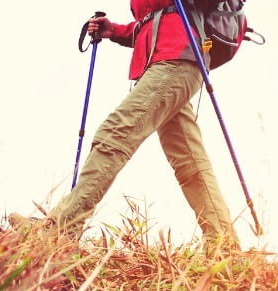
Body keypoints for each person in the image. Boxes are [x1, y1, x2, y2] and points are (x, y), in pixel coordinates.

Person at [12, 0, 239, 253]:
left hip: (176, 61)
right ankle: (225, 248)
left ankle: (59, 230)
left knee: (115, 134)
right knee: (190, 162)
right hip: (167, 62)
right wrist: (115, 31)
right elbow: (156, 21)